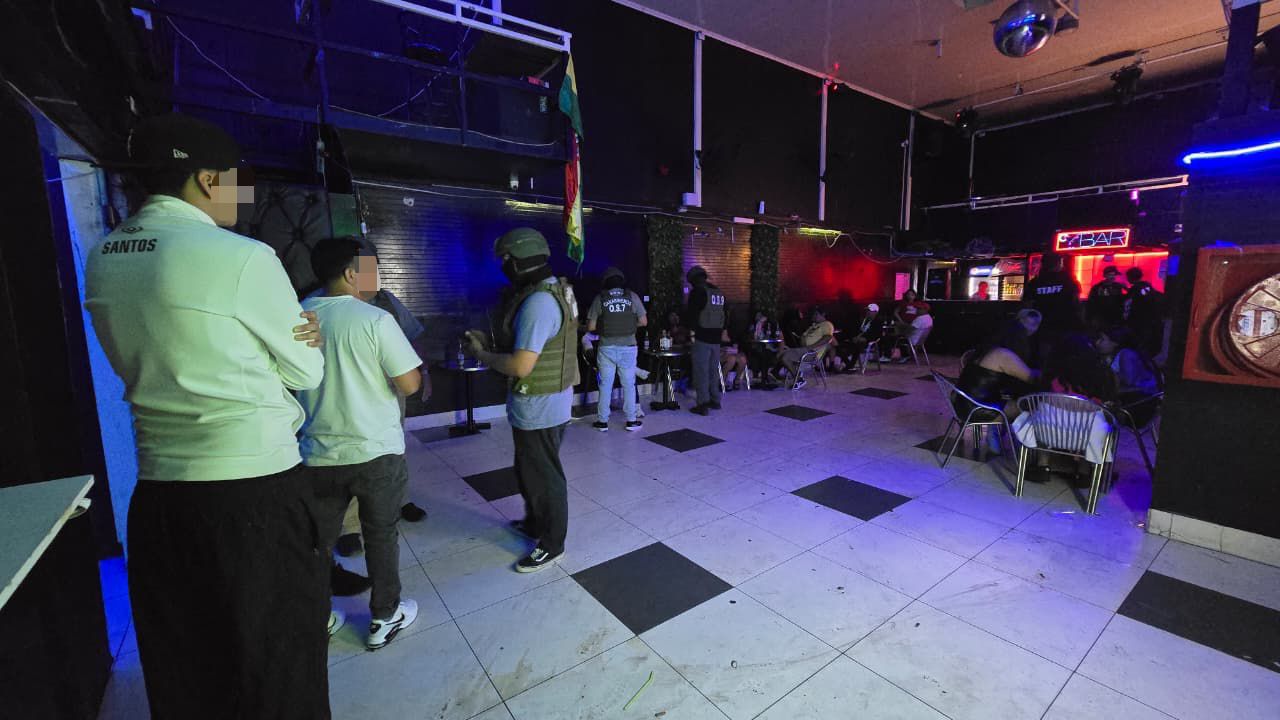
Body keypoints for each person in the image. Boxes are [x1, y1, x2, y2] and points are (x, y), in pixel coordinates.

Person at [83, 114, 331, 719]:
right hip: (253, 493)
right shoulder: (241, 257)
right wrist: (299, 343)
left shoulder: (104, 254)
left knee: (188, 671)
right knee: (278, 665)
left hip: (160, 498)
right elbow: (306, 371)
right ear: (207, 178)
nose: (243, 194)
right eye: (238, 180)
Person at [297, 238, 423, 650]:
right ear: (352, 273)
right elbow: (410, 382)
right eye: (371, 270)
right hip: (375, 451)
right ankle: (384, 617)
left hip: (317, 453)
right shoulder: (374, 319)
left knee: (318, 541)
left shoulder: (297, 316)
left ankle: (317, 616)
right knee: (381, 535)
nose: (377, 278)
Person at [463, 228, 578, 572]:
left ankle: (552, 544)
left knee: (544, 477)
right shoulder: (553, 290)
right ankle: (534, 523)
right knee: (529, 470)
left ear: (518, 260)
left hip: (541, 405)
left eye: (505, 260)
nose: (503, 266)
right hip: (545, 401)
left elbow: (520, 365)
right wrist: (492, 344)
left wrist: (482, 354)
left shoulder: (539, 302)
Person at [587, 266, 646, 431]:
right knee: (629, 384)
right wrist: (629, 325)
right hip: (628, 347)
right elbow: (643, 322)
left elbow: (591, 327)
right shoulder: (632, 296)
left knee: (605, 385)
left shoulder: (600, 298)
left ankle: (602, 422)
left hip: (606, 347)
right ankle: (631, 421)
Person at [1096, 325, 1162, 427]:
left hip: (1139, 405)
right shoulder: (1116, 355)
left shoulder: (1126, 354)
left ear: (1115, 342)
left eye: (1102, 339)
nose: (1097, 343)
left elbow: (1130, 382)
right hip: (1135, 401)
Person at [955, 343, 1039, 420]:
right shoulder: (1002, 354)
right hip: (976, 410)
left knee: (1014, 399)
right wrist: (1041, 373)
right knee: (1027, 405)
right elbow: (1030, 377)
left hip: (960, 404)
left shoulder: (981, 352)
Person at [684, 265, 726, 415]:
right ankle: (715, 400)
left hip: (702, 337)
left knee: (701, 371)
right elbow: (725, 314)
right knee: (713, 370)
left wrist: (691, 335)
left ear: (693, 280)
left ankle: (702, 404)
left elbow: (692, 316)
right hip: (716, 338)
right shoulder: (718, 292)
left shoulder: (698, 292)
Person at [769, 306, 835, 389]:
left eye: (816, 314)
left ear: (823, 315)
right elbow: (802, 338)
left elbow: (828, 338)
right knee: (781, 353)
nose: (814, 316)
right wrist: (803, 341)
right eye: (814, 314)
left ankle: (798, 379)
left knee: (785, 357)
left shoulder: (827, 324)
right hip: (804, 349)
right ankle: (793, 375)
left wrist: (811, 346)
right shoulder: (813, 326)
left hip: (812, 353)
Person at [1024, 255, 1082, 343]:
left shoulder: (1034, 283)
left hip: (1041, 326)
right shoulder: (1068, 280)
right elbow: (1076, 302)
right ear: (1058, 264)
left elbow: (1028, 305)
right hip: (1065, 324)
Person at [1123, 267, 1166, 359]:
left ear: (1130, 277)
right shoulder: (1149, 287)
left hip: (1140, 324)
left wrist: (1127, 322)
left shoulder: (1133, 291)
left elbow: (1128, 308)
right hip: (1153, 323)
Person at [890, 289, 932, 362]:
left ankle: (910, 354)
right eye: (908, 294)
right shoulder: (903, 304)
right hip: (905, 324)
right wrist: (901, 321)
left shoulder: (919, 305)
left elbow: (927, 307)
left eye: (912, 295)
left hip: (914, 325)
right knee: (898, 333)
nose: (910, 296)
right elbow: (895, 312)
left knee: (908, 336)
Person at [1086, 266, 1126, 331]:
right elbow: (1091, 303)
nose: (1113, 277)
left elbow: (1120, 300)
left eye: (1114, 275)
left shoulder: (1117, 286)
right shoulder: (1098, 287)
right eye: (1110, 275)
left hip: (1115, 317)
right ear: (1105, 275)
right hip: (1103, 318)